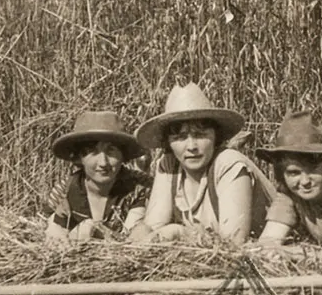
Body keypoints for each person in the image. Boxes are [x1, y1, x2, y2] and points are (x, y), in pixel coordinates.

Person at [130, 82, 275, 245]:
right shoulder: (169, 165)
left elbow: (234, 242)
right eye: (180, 137)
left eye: (200, 135)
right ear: (168, 143)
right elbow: (153, 227)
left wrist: (178, 231)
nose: (191, 146)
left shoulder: (229, 164)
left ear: (216, 137)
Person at [257, 110, 322, 248]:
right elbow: (267, 242)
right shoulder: (290, 195)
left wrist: (296, 254)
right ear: (283, 175)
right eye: (294, 173)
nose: (305, 181)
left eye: (313, 169)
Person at [45, 111, 151, 243]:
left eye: (111, 150)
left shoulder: (138, 187)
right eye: (92, 152)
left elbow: (132, 241)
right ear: (79, 158)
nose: (103, 163)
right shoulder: (65, 190)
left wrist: (94, 230)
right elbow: (53, 229)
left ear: (123, 155)